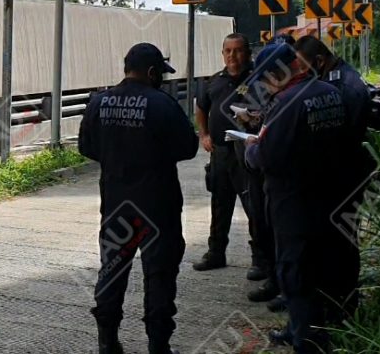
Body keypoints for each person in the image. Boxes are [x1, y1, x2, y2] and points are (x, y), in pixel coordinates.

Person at [79, 43, 199, 354]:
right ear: (151, 72)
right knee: (159, 275)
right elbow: (188, 148)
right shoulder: (163, 104)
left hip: (117, 205)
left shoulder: (98, 102)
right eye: (160, 72)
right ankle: (158, 345)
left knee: (112, 270)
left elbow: (86, 148)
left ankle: (107, 341)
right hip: (159, 207)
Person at [244, 43, 349, 352]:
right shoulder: (329, 91)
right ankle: (302, 330)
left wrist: (251, 145)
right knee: (317, 268)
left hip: (293, 202)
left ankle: (306, 342)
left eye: (265, 81)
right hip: (327, 197)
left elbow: (265, 156)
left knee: (295, 273)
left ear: (278, 74)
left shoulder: (285, 104)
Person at [295, 35, 380, 323]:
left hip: (344, 182)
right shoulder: (335, 79)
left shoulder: (345, 87)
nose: (298, 74)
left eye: (302, 67)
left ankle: (343, 312)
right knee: (328, 248)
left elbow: (343, 140)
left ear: (319, 62)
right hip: (334, 180)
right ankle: (329, 308)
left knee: (342, 249)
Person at [191, 34, 264, 287]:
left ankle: (260, 258)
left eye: (238, 51)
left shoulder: (259, 80)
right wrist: (204, 134)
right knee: (220, 204)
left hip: (247, 152)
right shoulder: (214, 82)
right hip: (221, 152)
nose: (232, 56)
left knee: (254, 206)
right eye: (228, 51)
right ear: (222, 53)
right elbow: (201, 107)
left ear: (248, 53)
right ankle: (215, 252)